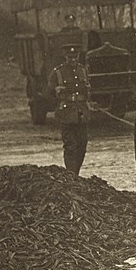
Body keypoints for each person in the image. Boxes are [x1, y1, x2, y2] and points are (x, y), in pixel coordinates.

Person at [46, 44, 90, 176]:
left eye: (75, 57)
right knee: (70, 145)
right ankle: (72, 175)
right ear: (65, 57)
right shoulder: (58, 72)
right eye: (69, 57)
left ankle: (75, 172)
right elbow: (48, 93)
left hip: (81, 112)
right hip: (66, 113)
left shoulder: (83, 70)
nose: (72, 60)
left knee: (82, 145)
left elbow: (88, 90)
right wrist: (59, 96)